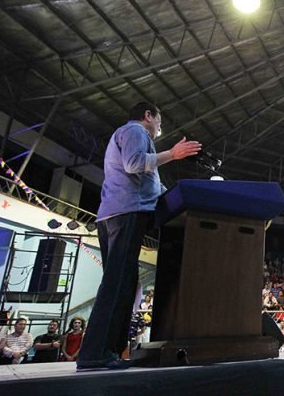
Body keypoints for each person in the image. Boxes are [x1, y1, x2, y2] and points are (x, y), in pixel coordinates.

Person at [77, 102, 202, 371]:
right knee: (118, 282)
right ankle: (96, 353)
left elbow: (149, 182)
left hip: (116, 213)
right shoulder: (135, 131)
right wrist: (174, 153)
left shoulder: (131, 135)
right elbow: (135, 165)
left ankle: (107, 350)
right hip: (126, 213)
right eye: (159, 121)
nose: (160, 127)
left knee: (123, 282)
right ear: (148, 115)